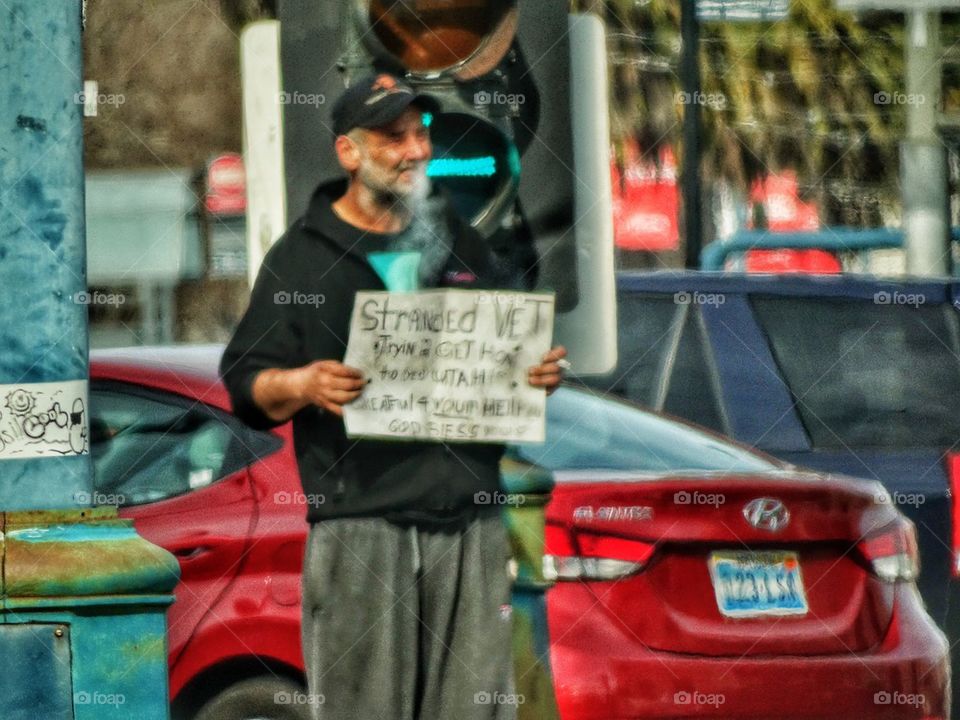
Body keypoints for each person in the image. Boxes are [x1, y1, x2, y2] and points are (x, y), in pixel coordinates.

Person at [220, 72, 566, 720]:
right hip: (362, 533)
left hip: (468, 525)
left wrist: (535, 372)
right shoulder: (300, 258)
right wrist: (301, 384)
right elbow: (244, 381)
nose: (415, 150)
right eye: (392, 137)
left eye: (419, 134)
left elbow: (501, 355)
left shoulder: (457, 241)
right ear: (349, 152)